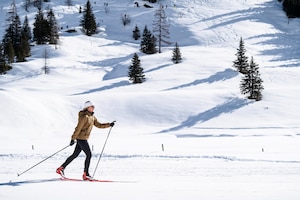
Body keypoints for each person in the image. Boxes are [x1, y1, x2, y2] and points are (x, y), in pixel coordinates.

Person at [56, 100, 115, 180]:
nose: (93, 108)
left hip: (83, 138)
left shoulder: (92, 117)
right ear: (87, 108)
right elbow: (78, 128)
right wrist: (73, 139)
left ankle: (61, 168)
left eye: (94, 106)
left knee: (75, 155)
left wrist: (109, 125)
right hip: (81, 139)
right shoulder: (84, 117)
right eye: (92, 106)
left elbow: (99, 125)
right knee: (89, 154)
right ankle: (86, 174)